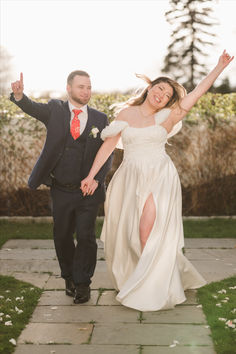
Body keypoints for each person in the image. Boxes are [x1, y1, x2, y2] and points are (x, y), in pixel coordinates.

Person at [81, 50, 234, 311]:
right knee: (127, 233)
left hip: (158, 176)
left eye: (167, 95)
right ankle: (148, 274)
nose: (161, 95)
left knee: (146, 230)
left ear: (168, 102)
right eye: (159, 89)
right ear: (150, 87)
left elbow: (197, 92)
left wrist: (219, 67)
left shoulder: (168, 116)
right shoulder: (126, 115)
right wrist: (91, 175)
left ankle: (151, 286)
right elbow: (107, 147)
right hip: (129, 176)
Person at [10, 71, 112, 304]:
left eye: (88, 87)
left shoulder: (100, 118)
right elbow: (32, 107)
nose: (86, 91)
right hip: (61, 188)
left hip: (88, 190)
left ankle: (83, 284)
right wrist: (19, 96)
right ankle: (69, 277)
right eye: (81, 87)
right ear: (69, 88)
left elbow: (107, 154)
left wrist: (97, 179)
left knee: (86, 236)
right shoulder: (55, 110)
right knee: (63, 235)